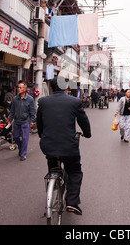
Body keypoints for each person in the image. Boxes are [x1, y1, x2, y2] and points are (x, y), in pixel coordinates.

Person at [37, 78, 91, 215]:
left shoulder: (43, 102)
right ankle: (72, 202)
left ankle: (53, 181)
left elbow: (40, 124)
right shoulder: (74, 102)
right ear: (66, 88)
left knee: (53, 164)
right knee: (74, 172)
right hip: (68, 146)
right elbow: (83, 121)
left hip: (48, 144)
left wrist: (43, 136)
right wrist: (88, 134)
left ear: (52, 88)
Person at [8, 82, 36, 161]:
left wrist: (31, 120)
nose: (18, 89)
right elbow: (12, 110)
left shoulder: (30, 99)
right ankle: (21, 148)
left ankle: (23, 154)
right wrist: (10, 120)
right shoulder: (15, 99)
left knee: (25, 138)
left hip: (25, 121)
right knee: (16, 137)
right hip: (17, 121)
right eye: (18, 87)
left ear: (25, 89)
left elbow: (32, 111)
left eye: (20, 88)